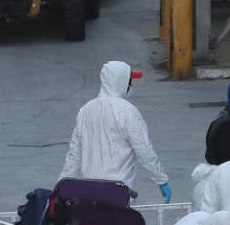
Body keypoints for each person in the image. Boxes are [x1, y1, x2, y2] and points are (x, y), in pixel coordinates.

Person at [60, 61, 171, 203]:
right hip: (119, 191)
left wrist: (61, 185)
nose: (131, 85)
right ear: (121, 81)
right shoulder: (128, 111)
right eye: (130, 81)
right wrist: (161, 180)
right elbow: (144, 150)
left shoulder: (85, 110)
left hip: (89, 191)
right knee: (119, 224)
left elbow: (74, 156)